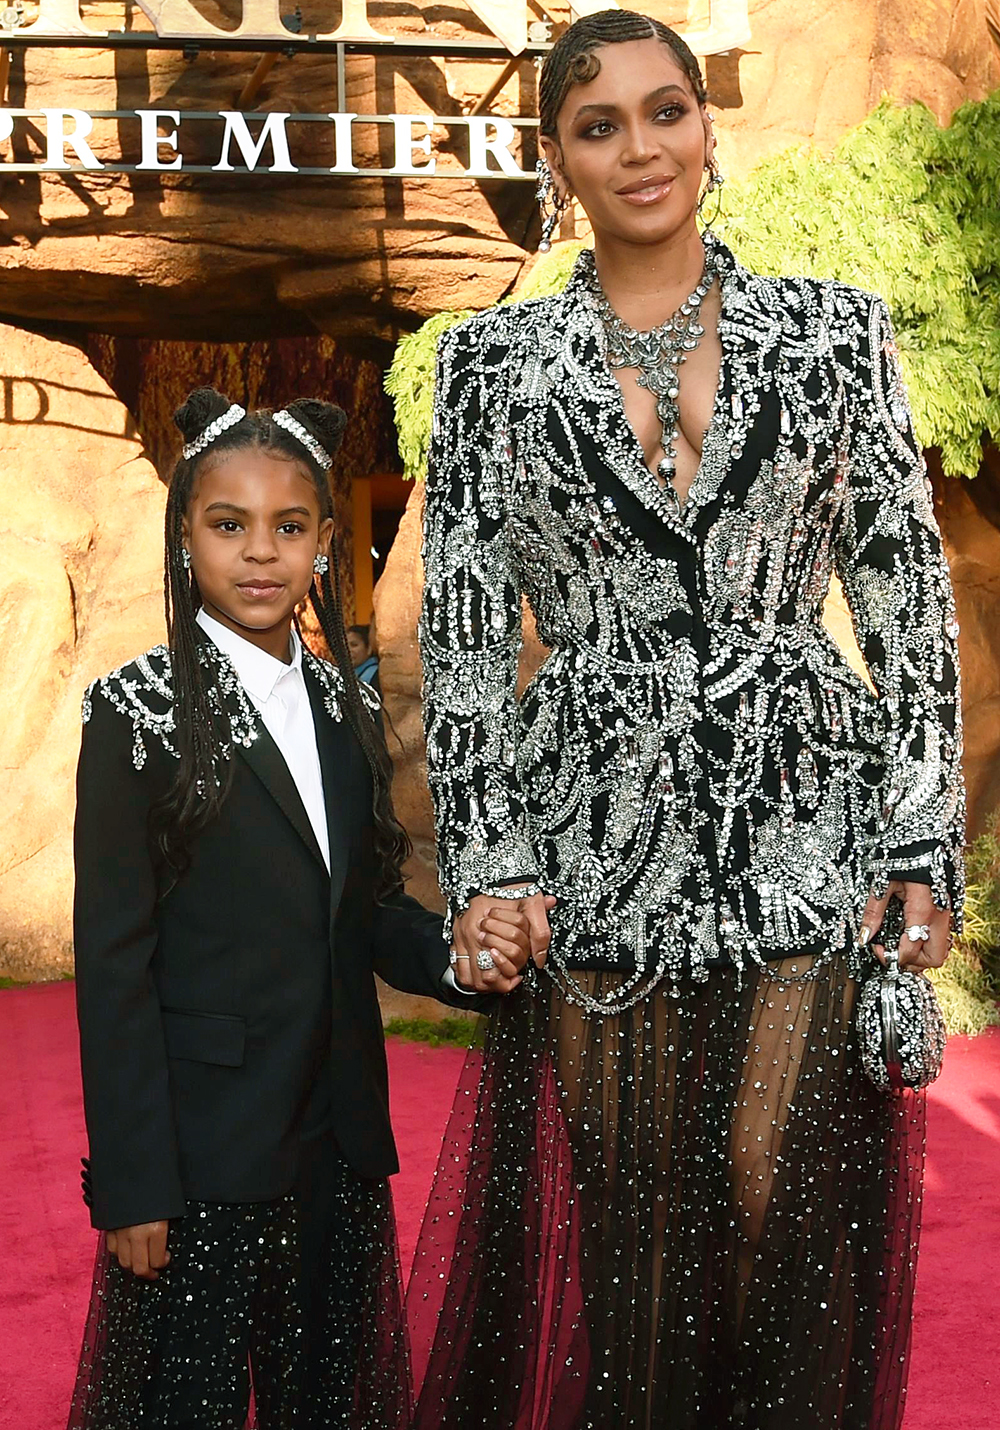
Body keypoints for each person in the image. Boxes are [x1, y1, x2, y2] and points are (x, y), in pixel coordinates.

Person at [409, 11, 965, 1429]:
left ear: (705, 128)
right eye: (601, 126)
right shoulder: (492, 371)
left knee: (782, 1196)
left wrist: (921, 839)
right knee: (638, 1226)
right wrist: (492, 862)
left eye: (668, 112)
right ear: (558, 160)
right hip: (595, 837)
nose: (642, 147)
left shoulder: (835, 335)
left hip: (805, 825)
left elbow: (904, 600)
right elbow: (468, 633)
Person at [67, 388, 531, 1430]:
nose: (260, 553)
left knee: (330, 1402)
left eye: (289, 526)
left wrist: (458, 961)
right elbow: (113, 965)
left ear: (327, 538)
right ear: (185, 534)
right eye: (228, 524)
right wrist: (133, 1179)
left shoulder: (346, 704)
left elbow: (367, 905)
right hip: (201, 1163)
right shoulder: (134, 712)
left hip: (338, 1146)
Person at [348, 623, 380, 689]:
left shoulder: (376, 675)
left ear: (369, 648)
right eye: (345, 646)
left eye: (354, 645)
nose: (348, 650)